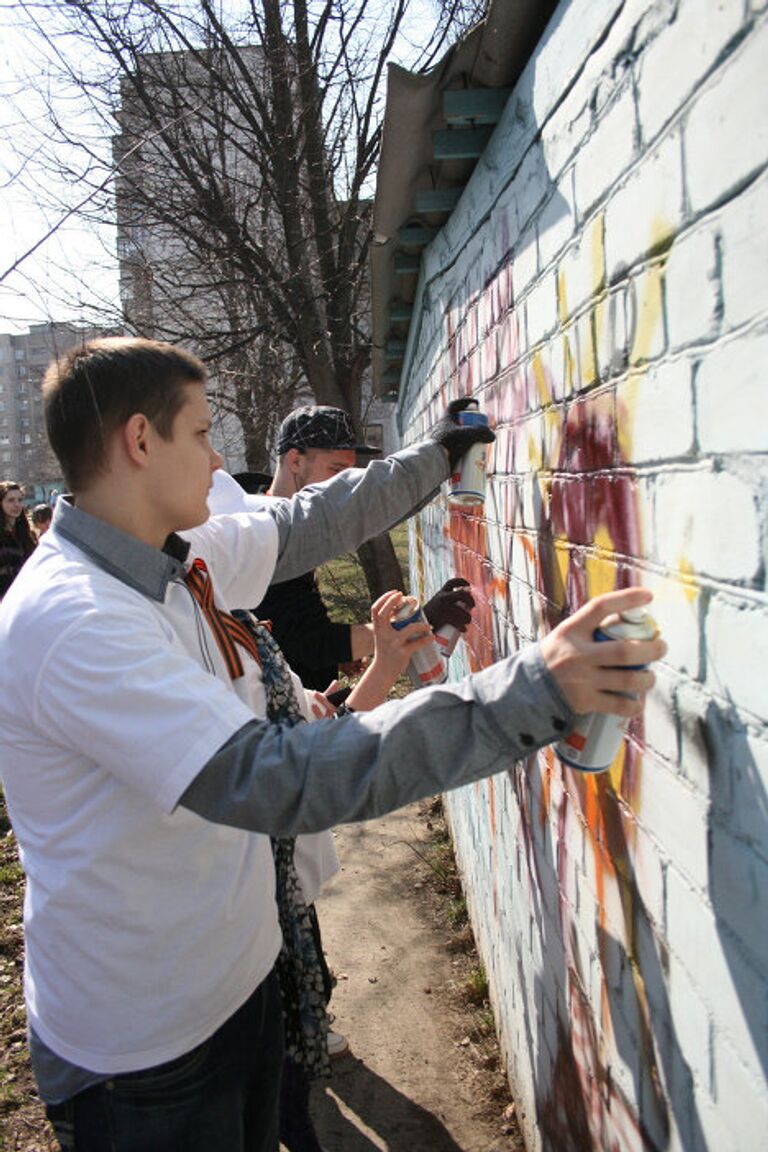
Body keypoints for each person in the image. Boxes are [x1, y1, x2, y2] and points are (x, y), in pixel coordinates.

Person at [0, 336, 665, 1152]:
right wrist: (531, 694)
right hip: (143, 1057)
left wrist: (436, 459)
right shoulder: (77, 621)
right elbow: (269, 779)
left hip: (231, 987)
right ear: (141, 441)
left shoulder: (172, 561)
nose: (217, 460)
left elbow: (307, 523)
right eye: (203, 434)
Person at [258, 404, 476, 689]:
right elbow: (310, 643)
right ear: (295, 460)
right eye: (335, 469)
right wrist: (414, 626)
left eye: (349, 472)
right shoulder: (262, 535)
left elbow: (290, 629)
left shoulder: (285, 526)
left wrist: (340, 655)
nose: (341, 484)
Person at [0, 480, 37, 599]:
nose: (17, 505)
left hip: (27, 600)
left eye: (20, 500)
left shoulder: (27, 535)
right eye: (11, 500)